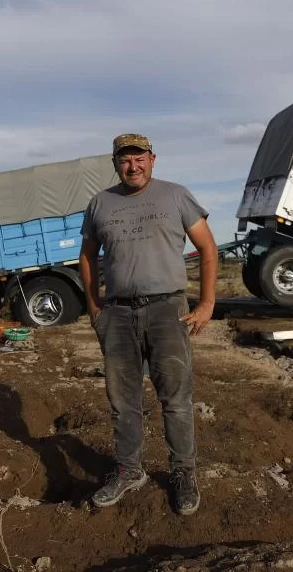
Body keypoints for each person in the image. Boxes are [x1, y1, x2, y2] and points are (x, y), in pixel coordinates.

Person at [79, 133, 218, 516]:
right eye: (125, 160)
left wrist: (206, 303)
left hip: (167, 311)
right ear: (115, 164)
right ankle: (128, 470)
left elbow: (208, 247)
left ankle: (184, 473)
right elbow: (87, 258)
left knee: (175, 398)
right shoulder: (99, 204)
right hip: (119, 314)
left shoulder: (175, 196)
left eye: (139, 158)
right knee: (123, 401)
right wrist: (95, 308)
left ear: (153, 160)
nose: (133, 165)